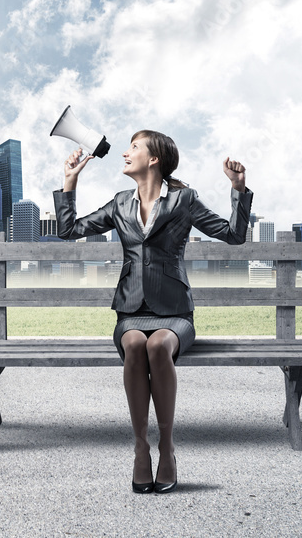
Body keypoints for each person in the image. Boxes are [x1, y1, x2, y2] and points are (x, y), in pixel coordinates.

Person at [53, 130, 253, 494]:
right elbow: (68, 229)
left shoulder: (183, 200)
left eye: (133, 148)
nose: (125, 154)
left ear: (154, 158)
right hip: (130, 313)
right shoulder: (119, 203)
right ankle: (141, 449)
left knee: (158, 346)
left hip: (175, 315)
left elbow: (233, 235)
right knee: (134, 345)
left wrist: (238, 188)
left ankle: (168, 447)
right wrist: (70, 181)